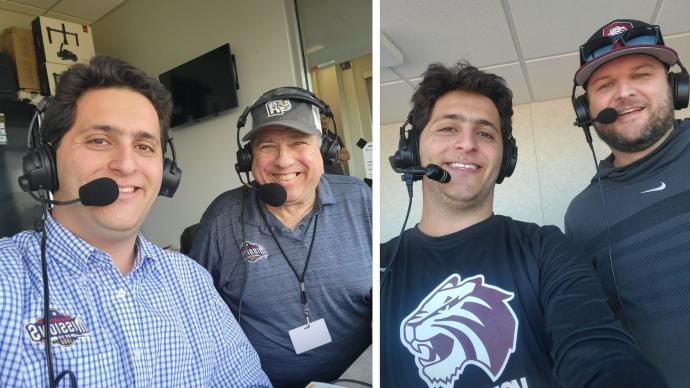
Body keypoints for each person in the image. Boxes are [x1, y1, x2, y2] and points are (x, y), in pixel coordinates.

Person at [380, 61, 668, 387]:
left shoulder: (545, 248)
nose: (467, 144)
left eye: (485, 133)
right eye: (448, 128)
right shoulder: (377, 268)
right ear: (412, 149)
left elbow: (597, 349)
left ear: (506, 158)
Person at [0, 55, 270, 387]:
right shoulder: (7, 282)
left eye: (144, 145)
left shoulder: (192, 281)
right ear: (46, 162)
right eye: (100, 140)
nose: (127, 165)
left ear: (166, 172)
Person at [189, 87, 371, 388]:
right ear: (248, 158)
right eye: (267, 147)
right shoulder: (224, 217)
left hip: (360, 379)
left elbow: (384, 290)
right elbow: (194, 315)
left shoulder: (360, 200)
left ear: (324, 150)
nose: (284, 161)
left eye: (299, 143)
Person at [565, 19, 690, 387]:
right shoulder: (581, 215)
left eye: (641, 74)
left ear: (674, 86)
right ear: (586, 110)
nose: (624, 93)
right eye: (605, 85)